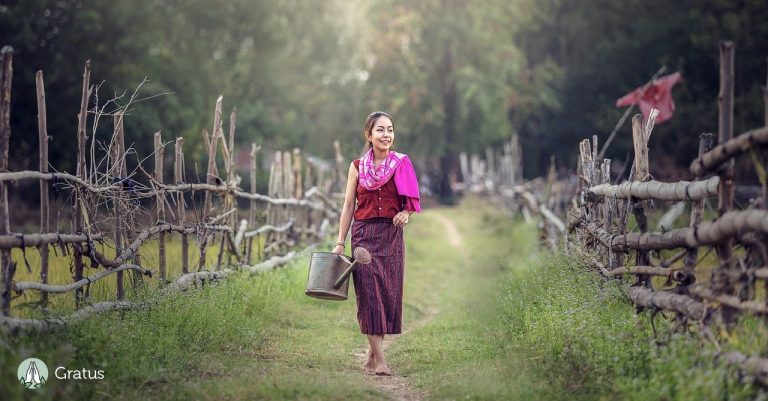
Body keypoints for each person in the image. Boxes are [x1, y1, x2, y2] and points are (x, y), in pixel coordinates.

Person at [332, 111, 421, 376]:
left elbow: (410, 203)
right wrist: (340, 242)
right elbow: (349, 205)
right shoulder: (357, 167)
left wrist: (405, 214)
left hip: (391, 237)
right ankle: (381, 360)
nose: (386, 135)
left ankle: (372, 356)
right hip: (363, 237)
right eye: (380, 130)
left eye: (390, 130)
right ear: (368, 135)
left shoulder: (402, 163)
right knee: (369, 295)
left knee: (387, 294)